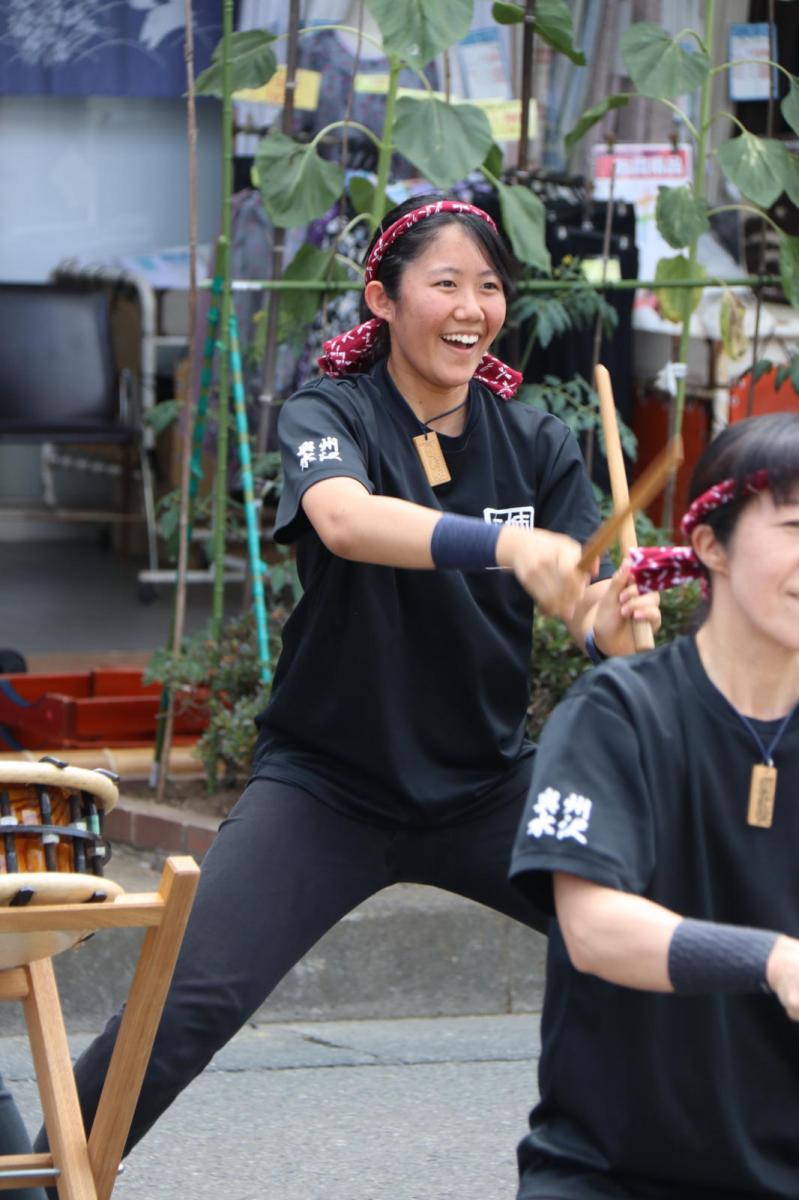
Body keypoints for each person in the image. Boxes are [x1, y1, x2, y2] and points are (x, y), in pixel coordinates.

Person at [37, 194, 659, 1182]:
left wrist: (616, 627)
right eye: (444, 283)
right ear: (383, 294)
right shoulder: (332, 410)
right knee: (177, 1010)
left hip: (489, 789)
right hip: (325, 789)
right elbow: (344, 521)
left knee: (690, 937)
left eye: (488, 285)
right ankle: (46, 1180)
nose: (472, 306)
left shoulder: (536, 442)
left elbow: (588, 609)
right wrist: (505, 543)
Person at [509, 411, 799, 1199]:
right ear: (708, 545)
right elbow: (595, 929)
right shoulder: (618, 714)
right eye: (795, 525)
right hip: (613, 1174)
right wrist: (772, 960)